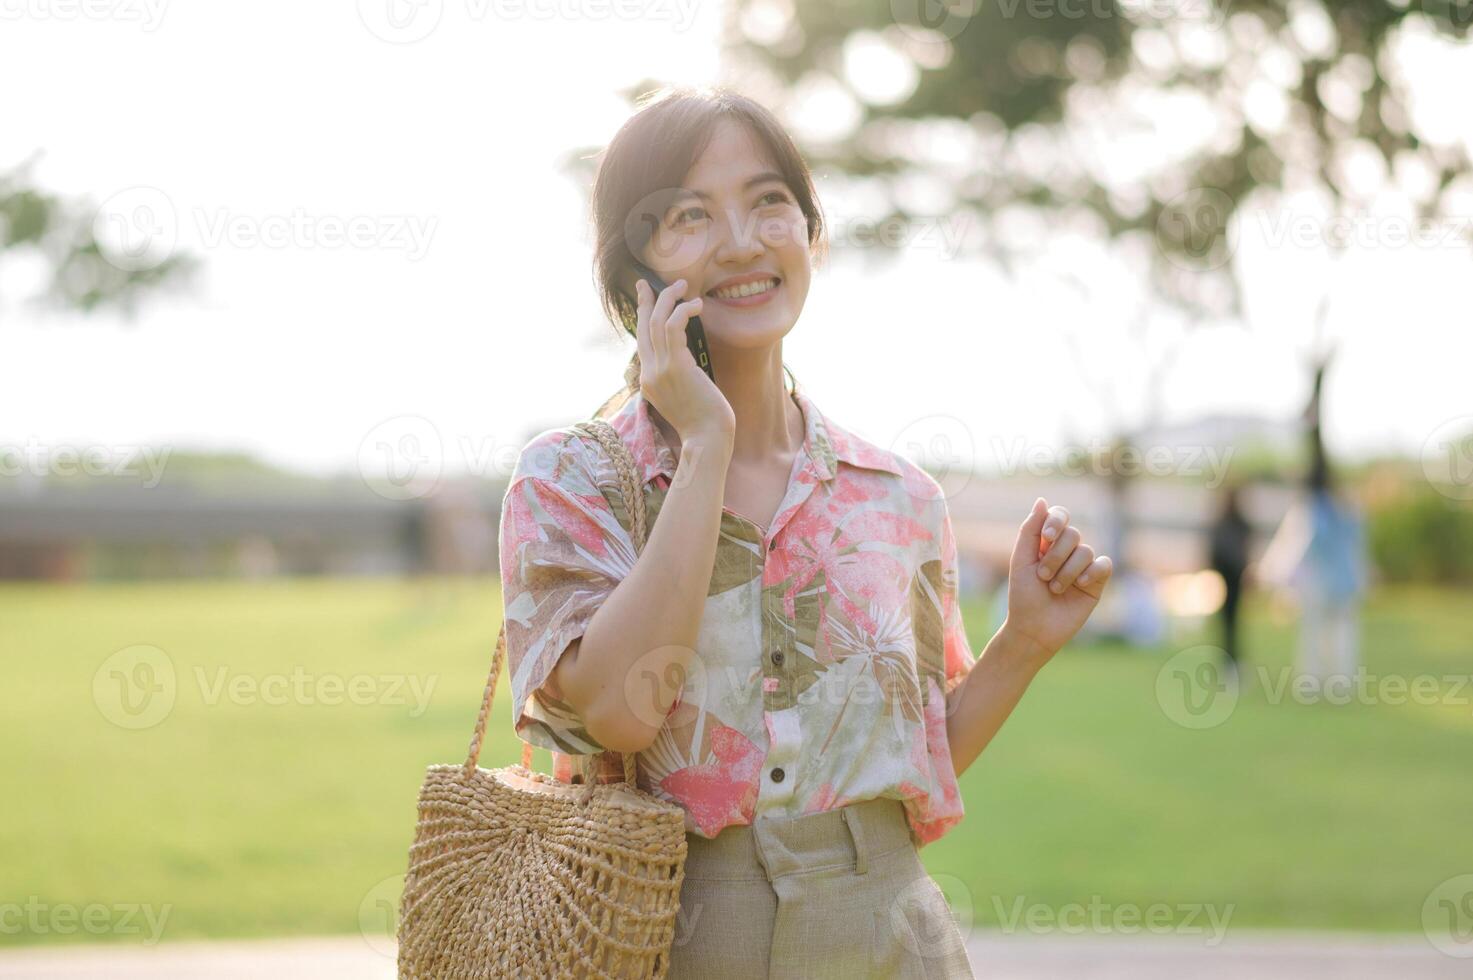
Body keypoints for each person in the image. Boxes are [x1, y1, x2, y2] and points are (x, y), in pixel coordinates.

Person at [496, 87, 1114, 980]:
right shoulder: (572, 479)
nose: (742, 242)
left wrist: (1022, 643)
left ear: (810, 232)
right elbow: (622, 714)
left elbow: (916, 766)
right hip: (670, 930)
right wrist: (704, 442)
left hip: (891, 930)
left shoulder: (895, 497)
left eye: (768, 202)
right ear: (631, 270)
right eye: (688, 216)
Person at [1208, 482, 1252, 672]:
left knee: (1229, 624)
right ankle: (1230, 661)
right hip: (1230, 579)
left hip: (1229, 579)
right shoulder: (1234, 523)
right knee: (1231, 624)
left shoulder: (1226, 523)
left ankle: (1230, 661)